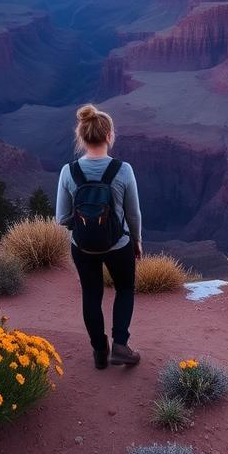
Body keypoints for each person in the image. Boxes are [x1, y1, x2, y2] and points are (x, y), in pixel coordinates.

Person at [56, 104, 142, 369]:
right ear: (109, 136)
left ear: (82, 137)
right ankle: (120, 345)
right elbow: (133, 214)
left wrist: (84, 224)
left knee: (91, 294)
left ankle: (99, 352)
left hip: (82, 247)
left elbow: (61, 218)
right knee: (125, 289)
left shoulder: (68, 171)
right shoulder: (123, 169)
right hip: (118, 244)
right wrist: (136, 240)